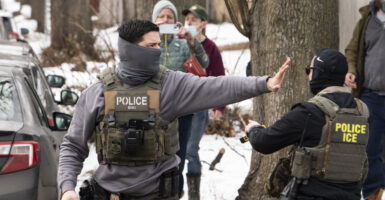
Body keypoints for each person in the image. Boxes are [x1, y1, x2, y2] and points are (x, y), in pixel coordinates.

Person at [59, 19, 290, 200]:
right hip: (111, 194)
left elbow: (217, 86)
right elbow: (73, 145)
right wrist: (67, 187)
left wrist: (264, 83)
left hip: (160, 194)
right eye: (151, 46)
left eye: (159, 44)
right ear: (129, 50)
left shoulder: (171, 85)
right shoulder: (97, 93)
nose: (158, 51)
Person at [245, 49, 369, 200]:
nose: (308, 75)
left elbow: (264, 142)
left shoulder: (309, 112)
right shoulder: (363, 112)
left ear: (318, 73)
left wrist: (253, 129)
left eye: (309, 70)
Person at [152, 1, 210, 198]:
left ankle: (175, 194)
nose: (166, 21)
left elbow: (205, 63)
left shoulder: (183, 43)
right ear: (154, 21)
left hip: (182, 111)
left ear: (176, 22)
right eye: (162, 17)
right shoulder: (149, 44)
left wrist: (192, 40)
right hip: (154, 111)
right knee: (154, 158)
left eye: (170, 17)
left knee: (179, 158)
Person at [182, 4, 226, 199]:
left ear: (203, 24)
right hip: (178, 105)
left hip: (199, 106)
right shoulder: (178, 43)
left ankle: (194, 193)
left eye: (194, 19)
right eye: (187, 19)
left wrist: (219, 106)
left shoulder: (210, 48)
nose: (189, 22)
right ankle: (174, 188)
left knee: (191, 149)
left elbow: (219, 78)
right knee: (175, 150)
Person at [345, 1, 385, 199]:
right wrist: (351, 71)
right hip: (371, 96)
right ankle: (373, 194)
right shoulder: (366, 20)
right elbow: (352, 51)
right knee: (369, 150)